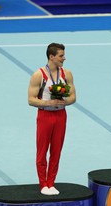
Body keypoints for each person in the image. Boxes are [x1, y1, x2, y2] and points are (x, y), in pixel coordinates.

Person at [28, 43, 76, 195]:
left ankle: (51, 182)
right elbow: (31, 100)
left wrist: (64, 101)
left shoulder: (66, 74)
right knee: (42, 151)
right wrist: (49, 102)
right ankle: (43, 184)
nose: (64, 58)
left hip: (61, 115)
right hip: (45, 116)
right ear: (51, 56)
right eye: (61, 56)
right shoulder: (39, 75)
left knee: (56, 150)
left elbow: (73, 97)